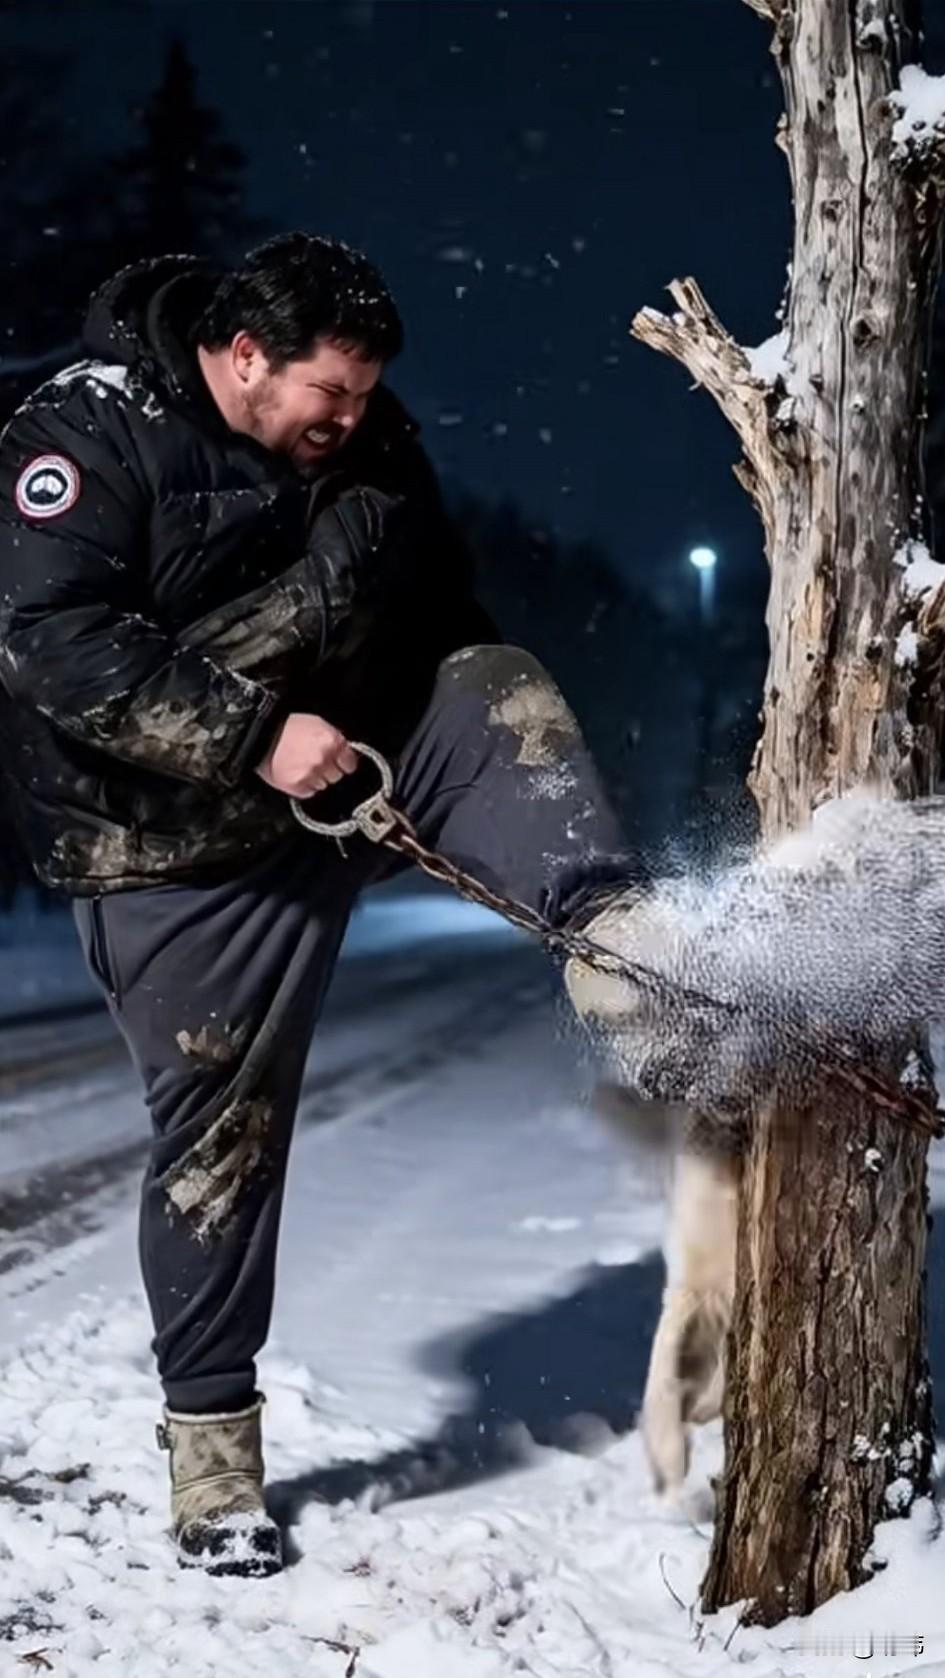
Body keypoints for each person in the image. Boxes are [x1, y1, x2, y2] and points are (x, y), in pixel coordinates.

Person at [0, 233, 635, 1578]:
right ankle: (216, 1466)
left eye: (361, 396)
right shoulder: (83, 431)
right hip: (167, 843)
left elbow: (432, 597)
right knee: (226, 1136)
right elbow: (50, 641)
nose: (350, 421)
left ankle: (630, 957)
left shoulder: (364, 441)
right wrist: (251, 736)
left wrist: (422, 744)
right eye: (328, 395)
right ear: (242, 357)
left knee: (493, 680)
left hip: (344, 770)